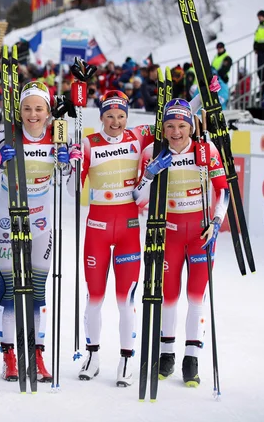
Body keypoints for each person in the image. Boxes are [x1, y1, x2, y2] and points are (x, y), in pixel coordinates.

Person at [133, 98, 229, 387]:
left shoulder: (205, 149)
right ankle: (166, 355)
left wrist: (216, 221)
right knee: (169, 295)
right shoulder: (153, 151)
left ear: (191, 126)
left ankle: (191, 359)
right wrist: (150, 174)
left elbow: (222, 190)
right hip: (170, 233)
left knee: (196, 297)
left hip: (200, 234)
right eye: (170, 126)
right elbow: (137, 197)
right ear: (162, 128)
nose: (176, 132)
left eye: (182, 126)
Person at [0, 81, 77, 383]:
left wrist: (70, 165)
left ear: (48, 111)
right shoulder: (8, 139)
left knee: (38, 292)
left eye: (39, 108)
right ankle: (9, 355)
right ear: (20, 111)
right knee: (12, 291)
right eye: (27, 108)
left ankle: (36, 353)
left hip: (43, 223)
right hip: (7, 221)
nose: (33, 114)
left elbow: (71, 189)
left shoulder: (57, 139)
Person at [70, 89, 155, 387]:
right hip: (97, 229)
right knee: (94, 298)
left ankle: (126, 359)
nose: (116, 121)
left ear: (127, 117)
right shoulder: (88, 143)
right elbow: (71, 192)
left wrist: (200, 99)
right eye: (110, 116)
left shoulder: (139, 135)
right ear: (101, 116)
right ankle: (92, 356)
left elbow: (175, 119)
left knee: (125, 301)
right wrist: (74, 165)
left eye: (121, 116)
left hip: (129, 230)